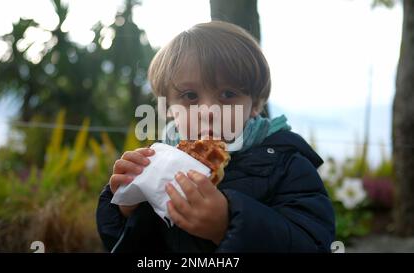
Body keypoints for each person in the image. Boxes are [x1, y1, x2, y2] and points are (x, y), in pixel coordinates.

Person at [96, 21, 335, 252]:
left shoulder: (287, 165)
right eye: (190, 96)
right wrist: (127, 209)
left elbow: (312, 242)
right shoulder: (155, 163)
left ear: (255, 105)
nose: (208, 111)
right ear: (168, 107)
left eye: (227, 94)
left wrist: (227, 226)